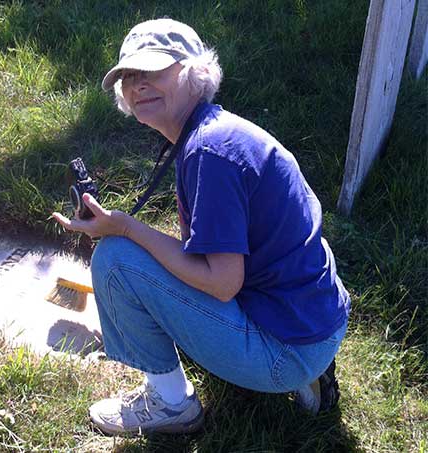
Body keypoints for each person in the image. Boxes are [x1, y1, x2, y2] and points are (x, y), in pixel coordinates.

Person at [52, 18, 351, 436]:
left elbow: (224, 283)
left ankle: (171, 405)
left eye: (153, 70)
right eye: (128, 77)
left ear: (196, 73)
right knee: (141, 250)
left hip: (288, 348)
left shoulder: (210, 153)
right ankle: (306, 366)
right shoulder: (216, 133)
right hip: (315, 318)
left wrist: (125, 229)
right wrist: (125, 227)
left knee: (116, 259)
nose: (137, 85)